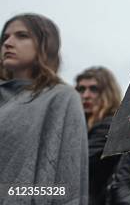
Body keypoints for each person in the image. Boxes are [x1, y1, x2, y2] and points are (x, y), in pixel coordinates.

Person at [0, 13, 88, 204]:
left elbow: (67, 182)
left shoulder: (61, 97)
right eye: (5, 37)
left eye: (22, 35)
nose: (8, 43)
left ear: (45, 44)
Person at [75, 66, 123, 205]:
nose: (86, 95)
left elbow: (78, 164)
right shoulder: (81, 126)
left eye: (93, 89)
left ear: (108, 92)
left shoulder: (109, 126)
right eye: (81, 89)